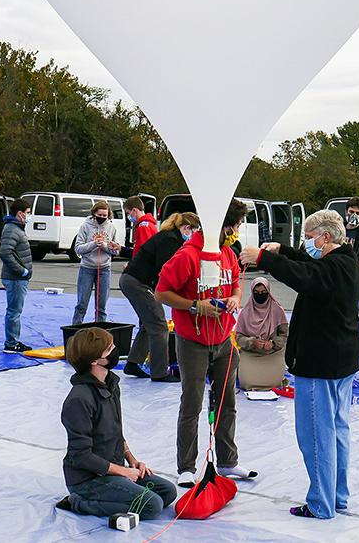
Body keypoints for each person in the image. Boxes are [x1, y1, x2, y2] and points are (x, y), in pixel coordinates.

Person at [239, 209, 359, 519]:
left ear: (324, 237)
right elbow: (312, 267)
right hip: (343, 362)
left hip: (319, 363)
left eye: (309, 238)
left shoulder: (330, 271)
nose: (307, 243)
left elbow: (306, 276)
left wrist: (265, 260)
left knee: (316, 435)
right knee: (337, 431)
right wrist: (283, 251)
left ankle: (321, 504)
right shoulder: (349, 264)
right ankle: (338, 496)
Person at [154, 198, 255, 488]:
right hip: (193, 341)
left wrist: (236, 296)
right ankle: (186, 466)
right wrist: (195, 306)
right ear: (224, 226)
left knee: (227, 402)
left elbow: (236, 280)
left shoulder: (227, 253)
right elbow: (161, 292)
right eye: (236, 225)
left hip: (224, 339)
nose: (237, 230)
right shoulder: (187, 256)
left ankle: (228, 461)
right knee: (192, 402)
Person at [58, 327, 178, 519]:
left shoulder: (112, 384)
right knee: (151, 505)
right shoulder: (79, 400)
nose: (115, 351)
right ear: (94, 360)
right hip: (89, 479)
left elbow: (115, 432)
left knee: (167, 492)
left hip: (112, 469)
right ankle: (79, 501)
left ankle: (116, 489)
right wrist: (122, 472)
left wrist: (132, 461)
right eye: (109, 349)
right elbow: (80, 456)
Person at [121, 212, 201, 383]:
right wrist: (171, 295)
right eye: (194, 230)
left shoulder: (169, 237)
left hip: (133, 280)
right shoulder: (170, 240)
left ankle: (133, 362)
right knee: (159, 325)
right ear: (186, 228)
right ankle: (159, 372)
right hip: (137, 282)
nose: (194, 235)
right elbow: (164, 269)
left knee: (148, 323)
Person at [234, 277, 289, 391]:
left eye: (263, 293)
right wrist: (252, 342)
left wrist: (273, 343)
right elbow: (238, 337)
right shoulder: (246, 312)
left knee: (275, 382)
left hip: (272, 354)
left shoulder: (277, 310)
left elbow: (285, 336)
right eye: (257, 293)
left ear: (268, 292)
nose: (260, 295)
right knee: (247, 382)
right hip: (251, 354)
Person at [72, 201, 121, 325]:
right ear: (94, 213)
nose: (102, 218)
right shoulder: (85, 227)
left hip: (104, 269)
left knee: (101, 305)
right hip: (87, 268)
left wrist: (104, 246)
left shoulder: (111, 228)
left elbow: (115, 250)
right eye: (100, 215)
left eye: (105, 216)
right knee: (82, 303)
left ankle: (101, 330)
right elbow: (78, 248)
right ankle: (76, 327)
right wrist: (93, 244)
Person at [0, 198, 33, 353]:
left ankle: (13, 341)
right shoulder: (12, 229)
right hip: (15, 278)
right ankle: (11, 343)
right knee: (14, 311)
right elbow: (6, 253)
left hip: (18, 278)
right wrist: (22, 271)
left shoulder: (17, 228)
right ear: (20, 213)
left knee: (15, 310)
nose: (29, 215)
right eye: (27, 212)